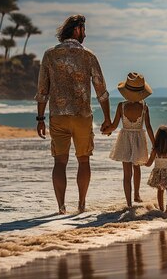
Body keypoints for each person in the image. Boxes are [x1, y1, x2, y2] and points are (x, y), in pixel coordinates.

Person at [35, 14, 111, 214]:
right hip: (82, 116)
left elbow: (42, 90)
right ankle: (82, 204)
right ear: (77, 30)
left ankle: (61, 207)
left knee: (60, 162)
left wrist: (40, 118)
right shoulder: (88, 56)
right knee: (83, 160)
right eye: (84, 30)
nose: (85, 34)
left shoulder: (50, 55)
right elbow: (101, 91)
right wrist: (108, 119)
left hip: (58, 115)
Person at [104, 72, 154, 208]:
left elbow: (114, 126)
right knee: (136, 167)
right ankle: (137, 195)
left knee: (127, 174)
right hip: (139, 138)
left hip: (124, 139)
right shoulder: (144, 107)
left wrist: (105, 130)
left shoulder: (121, 106)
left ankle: (128, 203)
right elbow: (148, 127)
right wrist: (154, 144)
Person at [145, 125, 167, 216]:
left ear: (157, 138)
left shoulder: (155, 150)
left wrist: (142, 163)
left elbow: (149, 163)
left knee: (160, 190)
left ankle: (161, 208)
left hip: (158, 173)